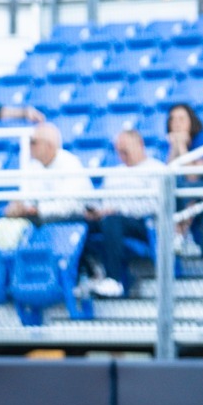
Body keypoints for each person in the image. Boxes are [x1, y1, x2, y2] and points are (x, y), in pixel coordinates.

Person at [81, 126, 163, 299]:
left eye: (125, 150)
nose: (122, 155)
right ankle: (91, 273)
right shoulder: (114, 173)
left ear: (139, 144)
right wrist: (95, 211)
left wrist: (118, 210)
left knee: (112, 220)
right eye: (119, 151)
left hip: (143, 224)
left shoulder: (157, 169)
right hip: (111, 220)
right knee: (80, 224)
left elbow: (155, 205)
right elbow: (102, 201)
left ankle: (114, 279)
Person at [1, 122, 90, 226]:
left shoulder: (70, 164)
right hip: (42, 218)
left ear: (49, 145)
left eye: (34, 142)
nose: (30, 146)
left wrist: (37, 210)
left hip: (72, 220)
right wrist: (19, 206)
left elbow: (69, 206)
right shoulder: (34, 166)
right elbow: (29, 199)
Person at [166, 104, 203, 259]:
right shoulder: (172, 143)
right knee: (175, 191)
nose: (176, 123)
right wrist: (174, 147)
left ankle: (181, 235)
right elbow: (167, 176)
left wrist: (181, 146)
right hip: (190, 197)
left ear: (191, 121)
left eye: (181, 118)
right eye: (173, 119)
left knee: (188, 189)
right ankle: (178, 236)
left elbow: (193, 176)